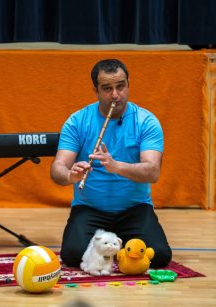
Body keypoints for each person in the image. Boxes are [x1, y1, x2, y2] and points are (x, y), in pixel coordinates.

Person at [50, 59, 172, 268]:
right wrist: (70, 175)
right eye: (107, 89)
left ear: (128, 84)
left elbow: (153, 172)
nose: (116, 95)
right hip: (89, 209)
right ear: (95, 90)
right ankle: (120, 249)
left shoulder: (146, 121)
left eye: (120, 86)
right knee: (72, 255)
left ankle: (113, 250)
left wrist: (116, 166)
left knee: (159, 256)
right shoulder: (77, 121)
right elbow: (57, 168)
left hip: (135, 208)